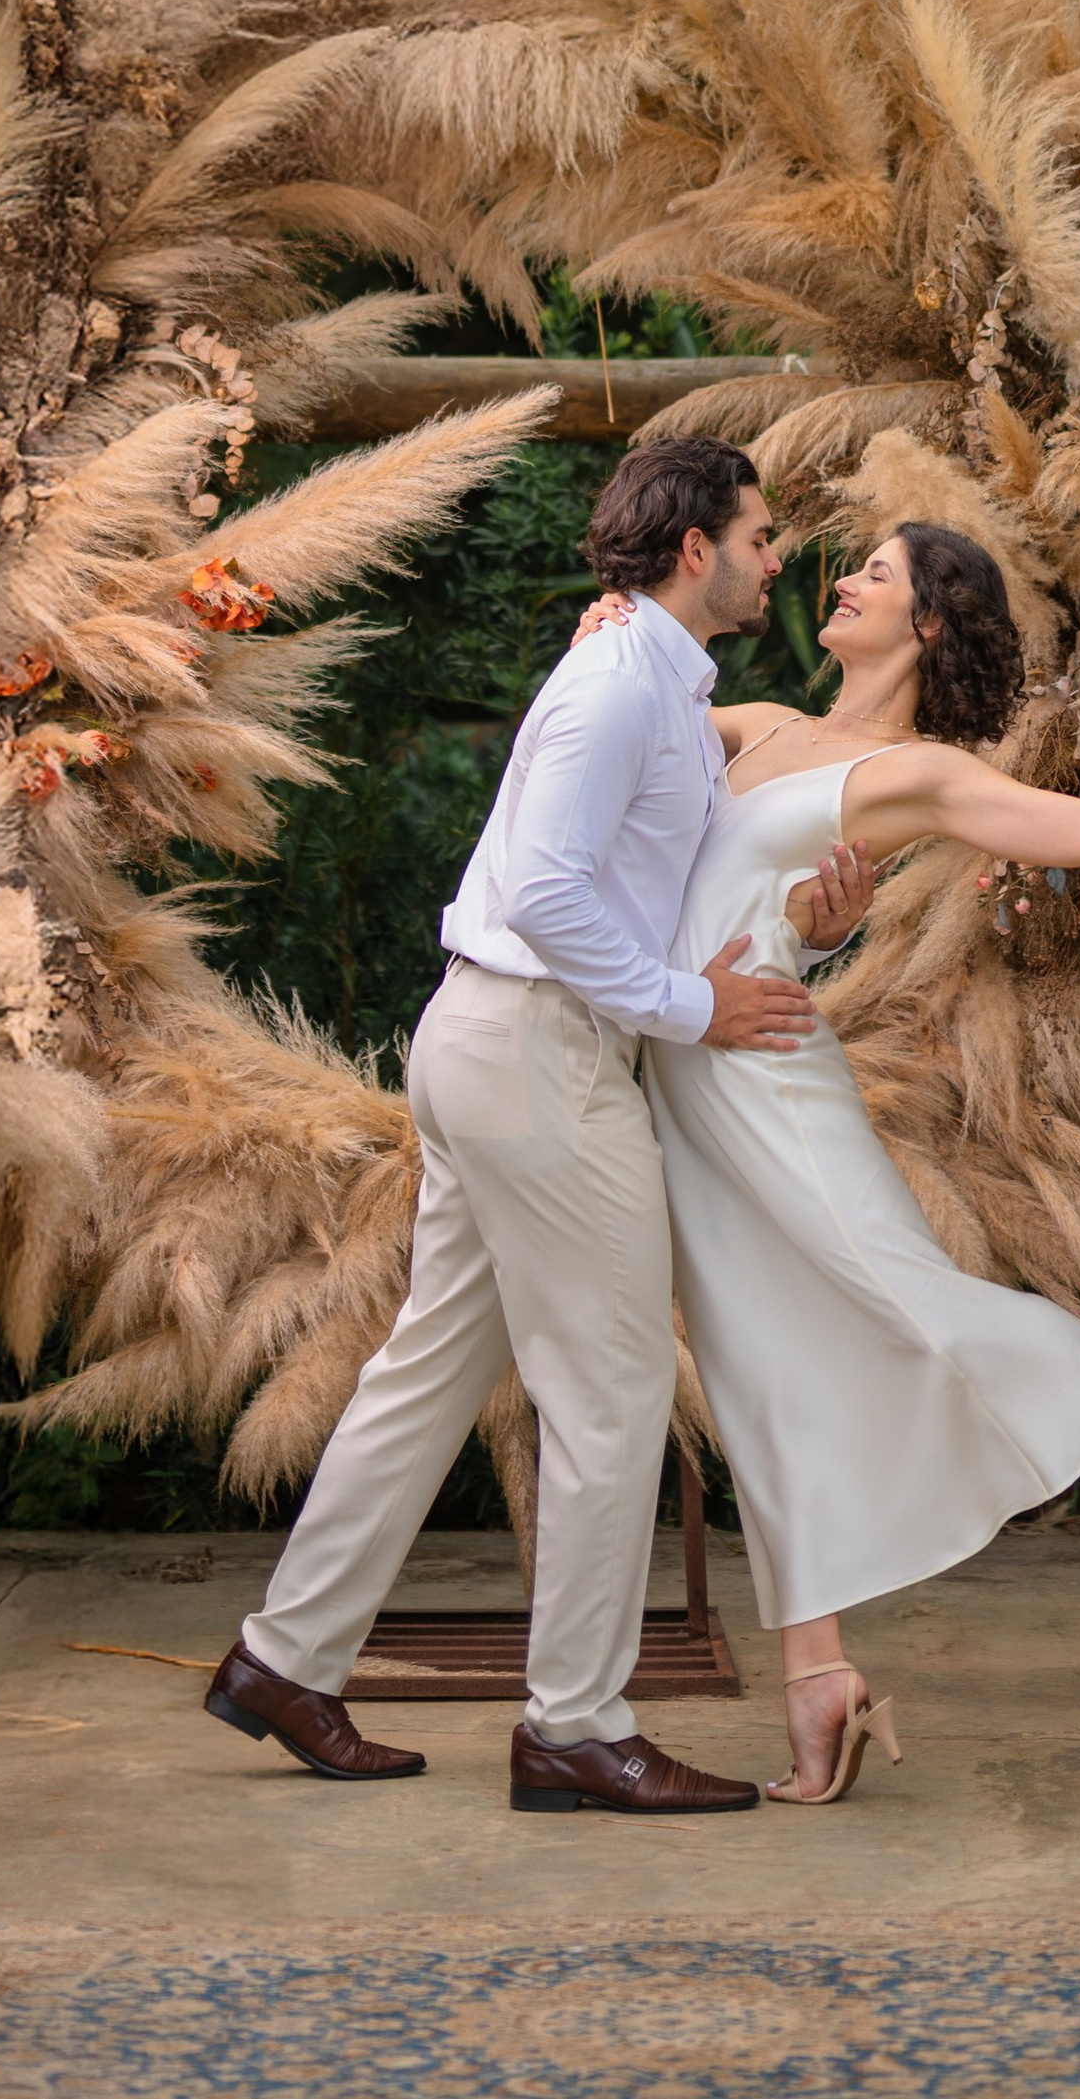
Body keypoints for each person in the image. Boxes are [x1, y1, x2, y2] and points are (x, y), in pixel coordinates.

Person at [584, 517, 1080, 1806]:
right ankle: (819, 1684)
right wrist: (606, 626)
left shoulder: (918, 773)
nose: (839, 581)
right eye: (845, 566)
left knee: (917, 1308)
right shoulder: (752, 721)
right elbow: (647, 759)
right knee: (762, 1374)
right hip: (687, 1072)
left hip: (768, 1078)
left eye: (876, 575)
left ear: (930, 622)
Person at [204, 434, 864, 1817]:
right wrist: (691, 1007)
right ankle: (574, 1724)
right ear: (698, 548)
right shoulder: (619, 683)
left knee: (431, 1370)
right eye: (759, 532)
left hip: (506, 1047)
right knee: (617, 1392)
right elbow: (552, 893)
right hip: (540, 1056)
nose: (774, 555)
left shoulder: (650, 673)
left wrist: (788, 926)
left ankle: (285, 1656)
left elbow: (639, 860)